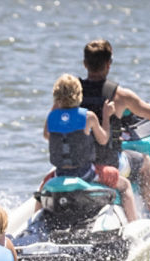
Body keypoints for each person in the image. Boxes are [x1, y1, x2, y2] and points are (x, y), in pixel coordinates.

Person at [81, 38, 150, 218]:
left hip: (81, 163)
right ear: (109, 64)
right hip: (109, 164)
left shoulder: (74, 91)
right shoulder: (120, 95)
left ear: (84, 64)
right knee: (145, 163)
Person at [41, 73, 139, 223]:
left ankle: (35, 224)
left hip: (60, 173)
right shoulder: (88, 116)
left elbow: (47, 135)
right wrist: (106, 116)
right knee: (125, 186)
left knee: (42, 190)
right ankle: (134, 225)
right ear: (79, 95)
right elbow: (104, 139)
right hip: (85, 173)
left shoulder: (51, 117)